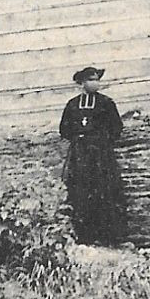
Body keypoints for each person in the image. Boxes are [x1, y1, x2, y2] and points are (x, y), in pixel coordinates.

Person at [58, 66, 127, 245]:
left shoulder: (106, 103)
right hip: (80, 155)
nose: (94, 83)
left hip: (101, 155)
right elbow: (64, 129)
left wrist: (101, 142)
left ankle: (108, 236)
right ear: (82, 82)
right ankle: (85, 236)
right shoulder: (73, 105)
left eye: (96, 79)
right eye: (90, 79)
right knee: (81, 190)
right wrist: (80, 140)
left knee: (105, 190)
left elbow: (116, 128)